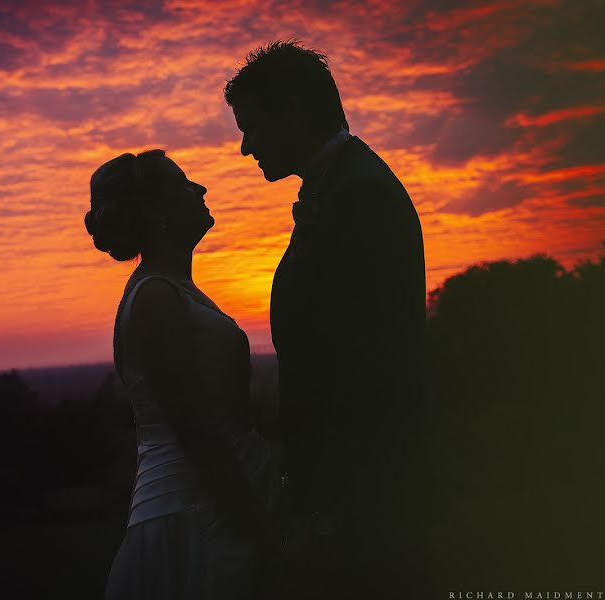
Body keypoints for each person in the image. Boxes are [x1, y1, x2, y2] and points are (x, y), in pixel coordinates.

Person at [224, 41, 433, 599]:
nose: (246, 148)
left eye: (251, 127)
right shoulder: (339, 185)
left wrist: (328, 505)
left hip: (364, 490)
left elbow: (368, 363)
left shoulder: (359, 193)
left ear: (292, 110)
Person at [85, 150, 281, 599]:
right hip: (193, 515)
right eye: (184, 182)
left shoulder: (174, 289)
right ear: (156, 211)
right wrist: (257, 526)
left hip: (212, 504)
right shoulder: (155, 297)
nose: (201, 189)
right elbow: (194, 428)